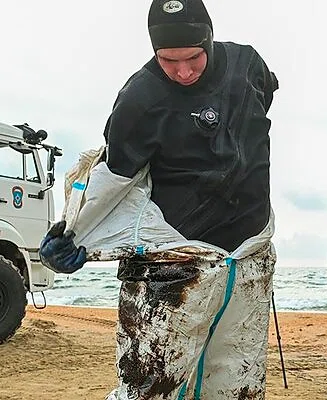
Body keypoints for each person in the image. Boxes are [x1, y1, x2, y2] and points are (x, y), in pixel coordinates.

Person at [39, 0, 279, 398]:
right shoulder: (141, 97)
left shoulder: (247, 64)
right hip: (177, 261)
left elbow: (265, 100)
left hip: (250, 255)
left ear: (211, 39)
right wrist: (72, 232)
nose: (183, 72)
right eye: (169, 60)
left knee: (238, 384)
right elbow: (114, 174)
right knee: (149, 385)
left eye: (194, 58)